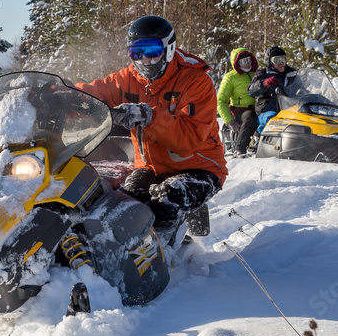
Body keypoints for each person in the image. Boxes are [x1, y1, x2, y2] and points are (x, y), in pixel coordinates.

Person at [76, 15, 227, 243]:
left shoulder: (195, 79)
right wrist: (55, 94)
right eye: (137, 52)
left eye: (152, 51)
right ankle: (117, 251)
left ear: (168, 48)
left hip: (200, 167)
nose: (145, 60)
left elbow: (190, 139)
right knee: (123, 204)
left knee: (169, 195)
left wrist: (149, 116)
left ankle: (162, 254)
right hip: (150, 167)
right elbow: (92, 93)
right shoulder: (128, 78)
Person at [217, 47, 259, 156]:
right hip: (239, 111)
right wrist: (230, 121)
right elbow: (220, 101)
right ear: (236, 63)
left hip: (259, 107)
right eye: (243, 62)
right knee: (250, 116)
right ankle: (240, 148)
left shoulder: (257, 74)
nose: (247, 64)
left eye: (248, 60)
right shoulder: (230, 78)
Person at [249, 45, 299, 132]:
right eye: (277, 60)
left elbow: (301, 88)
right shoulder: (263, 73)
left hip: (288, 110)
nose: (281, 63)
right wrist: (263, 83)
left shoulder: (291, 74)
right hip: (266, 110)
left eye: (283, 60)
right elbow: (250, 90)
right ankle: (258, 138)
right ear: (270, 62)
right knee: (272, 119)